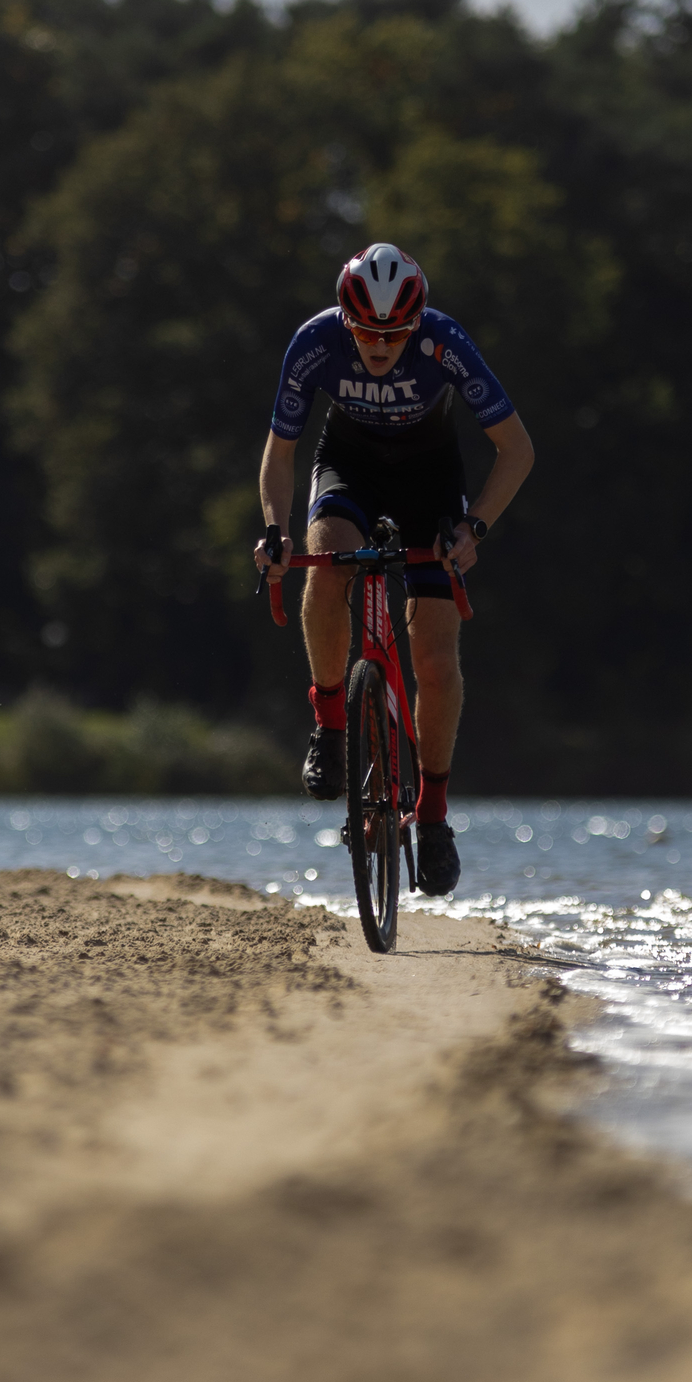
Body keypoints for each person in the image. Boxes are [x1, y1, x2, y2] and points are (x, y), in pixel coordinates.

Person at [253, 242, 535, 898]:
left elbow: (518, 450)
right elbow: (280, 452)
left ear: (417, 322)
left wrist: (474, 527)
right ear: (345, 320)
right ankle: (330, 723)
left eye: (395, 333)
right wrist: (275, 530)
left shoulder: (445, 342)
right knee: (326, 566)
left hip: (429, 482)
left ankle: (432, 817)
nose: (380, 346)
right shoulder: (315, 342)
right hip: (349, 466)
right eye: (367, 332)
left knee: (433, 659)